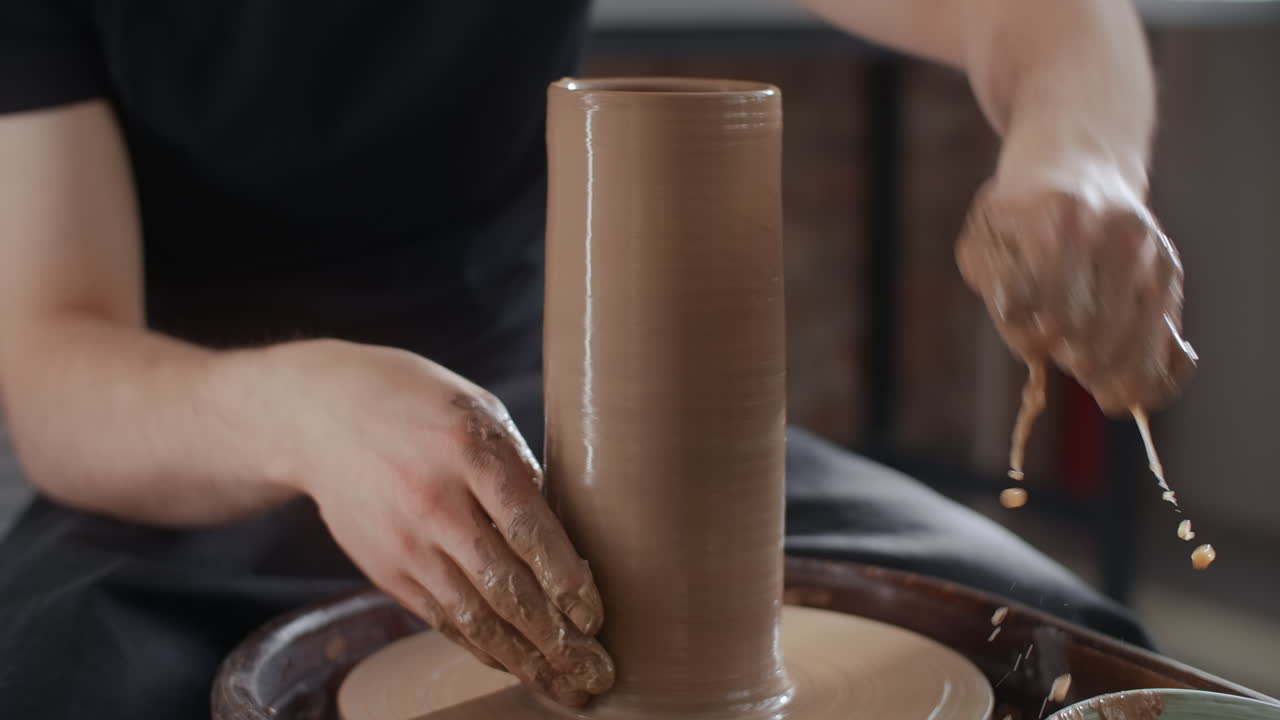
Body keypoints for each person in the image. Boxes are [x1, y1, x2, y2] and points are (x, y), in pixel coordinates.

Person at [0, 1, 1194, 717]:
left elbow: (1031, 12)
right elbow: (58, 367)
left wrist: (1072, 159)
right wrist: (300, 415)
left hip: (565, 408)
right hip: (217, 440)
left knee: (1066, 655)